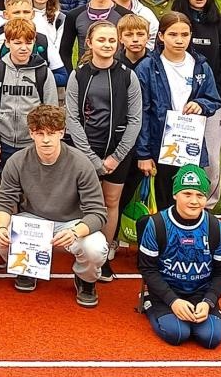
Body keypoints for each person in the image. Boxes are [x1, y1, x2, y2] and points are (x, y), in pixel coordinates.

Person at [0, 104, 109, 306]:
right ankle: (26, 267)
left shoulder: (81, 163)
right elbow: (4, 202)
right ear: (31, 133)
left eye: (52, 133)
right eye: (40, 133)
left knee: (95, 248)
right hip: (33, 221)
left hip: (71, 222)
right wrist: (1, 227)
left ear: (62, 133)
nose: (46, 139)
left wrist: (75, 232)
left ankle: (85, 279)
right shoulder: (17, 161)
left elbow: (98, 213)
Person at [63, 20, 142, 276]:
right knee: (87, 202)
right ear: (89, 43)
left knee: (111, 201)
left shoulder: (128, 76)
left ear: (118, 43)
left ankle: (104, 254)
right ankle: (85, 251)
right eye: (101, 40)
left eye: (111, 40)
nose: (107, 45)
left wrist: (117, 157)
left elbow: (135, 120)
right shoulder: (79, 75)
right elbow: (72, 118)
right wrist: (92, 158)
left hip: (118, 151)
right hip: (86, 150)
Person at [137, 165, 221, 349]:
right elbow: (147, 268)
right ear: (175, 195)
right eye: (187, 194)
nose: (194, 201)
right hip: (166, 292)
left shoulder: (217, 228)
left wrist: (209, 301)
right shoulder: (157, 224)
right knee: (177, 333)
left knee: (211, 338)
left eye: (200, 195)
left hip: (201, 293)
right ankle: (149, 302)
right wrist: (172, 301)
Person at [136, 11, 221, 208]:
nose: (179, 40)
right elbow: (142, 113)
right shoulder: (147, 67)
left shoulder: (200, 66)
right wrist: (144, 153)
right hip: (159, 145)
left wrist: (201, 104)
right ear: (161, 36)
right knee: (162, 199)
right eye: (173, 34)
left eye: (185, 34)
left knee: (189, 196)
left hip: (190, 144)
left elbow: (213, 99)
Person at [173, 0, 221, 205]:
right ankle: (179, 203)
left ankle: (206, 204)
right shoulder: (175, 21)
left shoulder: (220, 23)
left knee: (211, 157)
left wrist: (214, 97)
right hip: (180, 105)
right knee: (179, 156)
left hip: (212, 104)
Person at [0, 19, 56, 170]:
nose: (23, 48)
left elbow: (51, 112)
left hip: (33, 143)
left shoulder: (43, 73)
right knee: (7, 182)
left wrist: (44, 141)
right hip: (4, 143)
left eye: (28, 43)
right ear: (7, 43)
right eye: (17, 43)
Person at [59, 0, 129, 73]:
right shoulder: (74, 16)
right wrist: (72, 75)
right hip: (85, 75)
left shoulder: (125, 15)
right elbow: (64, 51)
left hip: (117, 75)